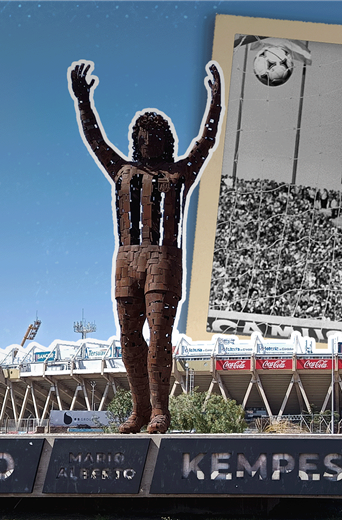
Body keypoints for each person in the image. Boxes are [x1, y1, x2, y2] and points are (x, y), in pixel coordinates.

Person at [69, 60, 223, 434]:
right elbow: (95, 141)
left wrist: (215, 100)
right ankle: (139, 411)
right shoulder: (122, 172)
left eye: (156, 133)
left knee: (159, 335)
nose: (148, 139)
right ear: (135, 140)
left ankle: (159, 411)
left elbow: (206, 141)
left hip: (163, 259)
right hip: (126, 260)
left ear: (166, 140)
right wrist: (83, 101)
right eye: (142, 134)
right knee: (127, 338)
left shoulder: (178, 174)